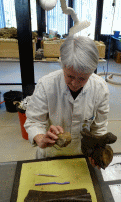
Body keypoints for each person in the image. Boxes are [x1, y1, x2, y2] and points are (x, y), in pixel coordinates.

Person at [24, 35, 109, 167]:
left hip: (82, 156)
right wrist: (40, 138)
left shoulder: (100, 88)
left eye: (82, 78)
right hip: (51, 154)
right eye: (69, 76)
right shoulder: (46, 85)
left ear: (91, 72)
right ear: (62, 66)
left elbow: (99, 128)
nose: (75, 83)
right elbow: (33, 121)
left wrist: (98, 149)